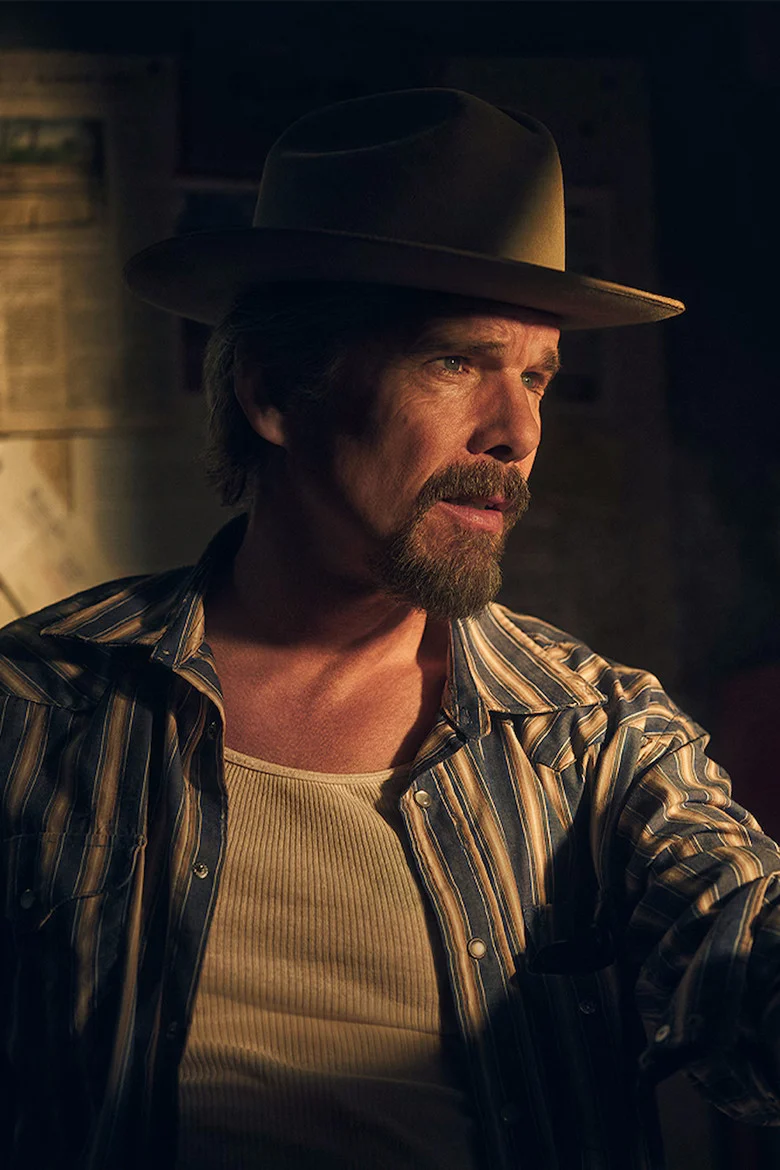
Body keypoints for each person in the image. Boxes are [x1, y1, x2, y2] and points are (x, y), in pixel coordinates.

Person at [1, 88, 778, 1170]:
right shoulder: (38, 708)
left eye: (537, 377)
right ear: (276, 392)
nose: (517, 433)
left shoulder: (598, 739)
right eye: (454, 362)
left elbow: (739, 948)